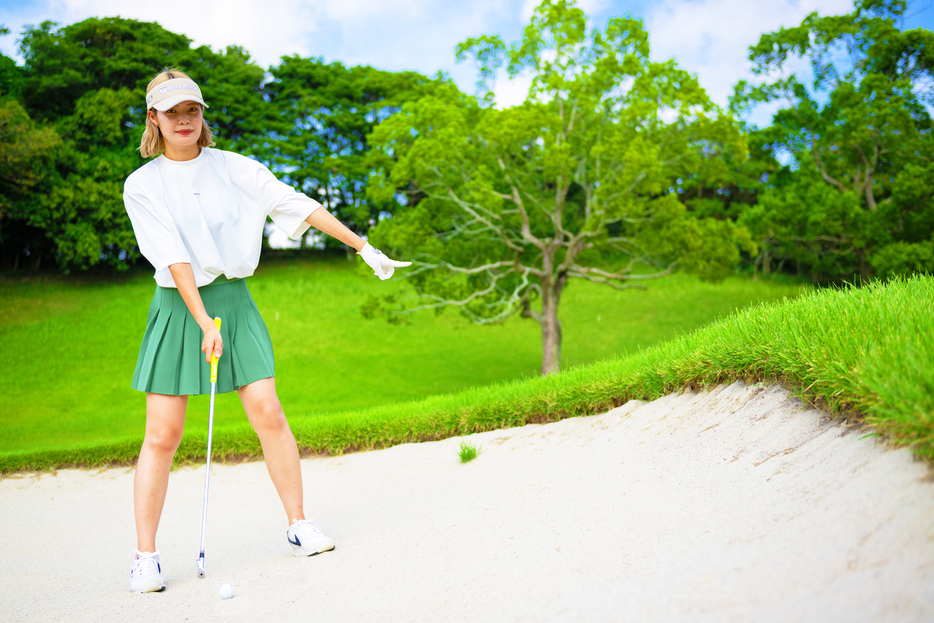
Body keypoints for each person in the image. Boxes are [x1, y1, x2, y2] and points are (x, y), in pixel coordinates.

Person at [123, 68, 409, 593]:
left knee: (269, 413)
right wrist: (203, 320)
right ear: (154, 119)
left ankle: (300, 525)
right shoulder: (142, 185)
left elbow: (297, 205)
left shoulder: (235, 168)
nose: (183, 120)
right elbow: (172, 255)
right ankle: (146, 556)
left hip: (235, 301)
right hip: (177, 306)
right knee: (162, 436)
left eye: (192, 110)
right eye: (172, 112)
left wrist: (363, 247)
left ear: (202, 115)